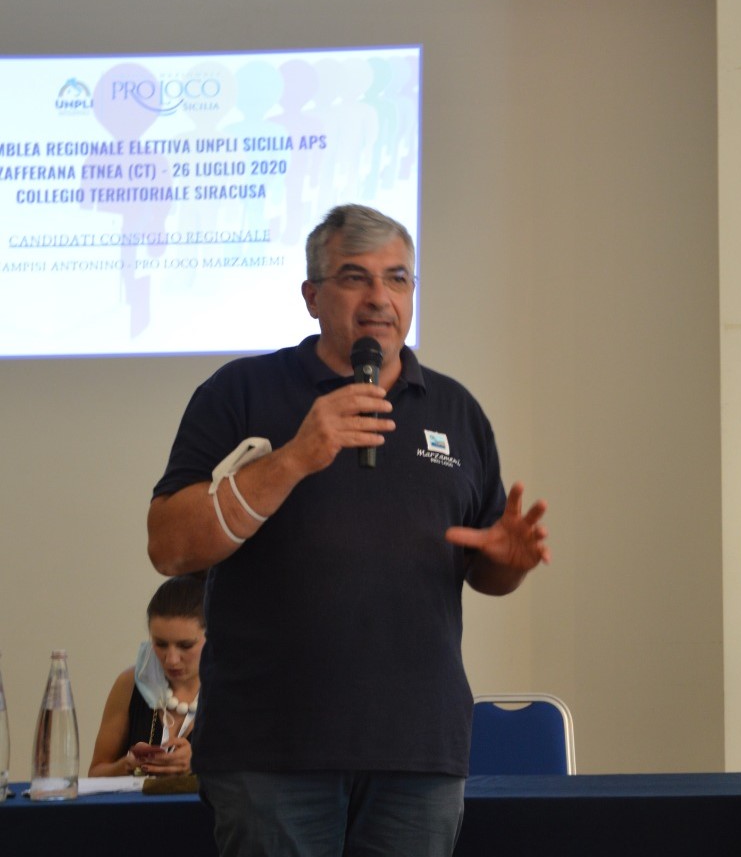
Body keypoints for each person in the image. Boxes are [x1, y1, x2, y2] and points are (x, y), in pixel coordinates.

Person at [147, 204, 550, 857]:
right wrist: (295, 457)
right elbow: (169, 546)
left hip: (417, 753)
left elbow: (484, 567)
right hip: (270, 751)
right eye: (355, 277)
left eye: (397, 278)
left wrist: (509, 560)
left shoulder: (455, 409)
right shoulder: (241, 392)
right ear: (312, 296)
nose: (379, 298)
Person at [90, 575, 206, 777]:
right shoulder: (130, 684)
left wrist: (201, 763)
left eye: (185, 645)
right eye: (160, 644)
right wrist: (126, 765)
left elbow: (256, 777)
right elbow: (96, 773)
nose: (171, 659)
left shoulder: (233, 690)